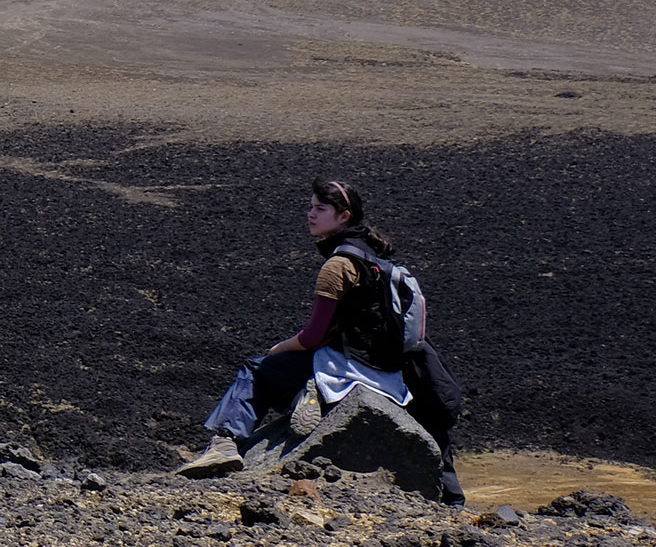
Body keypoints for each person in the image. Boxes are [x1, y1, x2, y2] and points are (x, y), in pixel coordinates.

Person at [183, 178, 458, 498]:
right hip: (391, 374)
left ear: (344, 216)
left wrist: (279, 348)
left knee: (257, 369)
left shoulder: (338, 265)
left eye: (320, 209)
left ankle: (225, 444)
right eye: (311, 207)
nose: (310, 214)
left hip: (347, 366)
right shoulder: (380, 261)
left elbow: (313, 337)